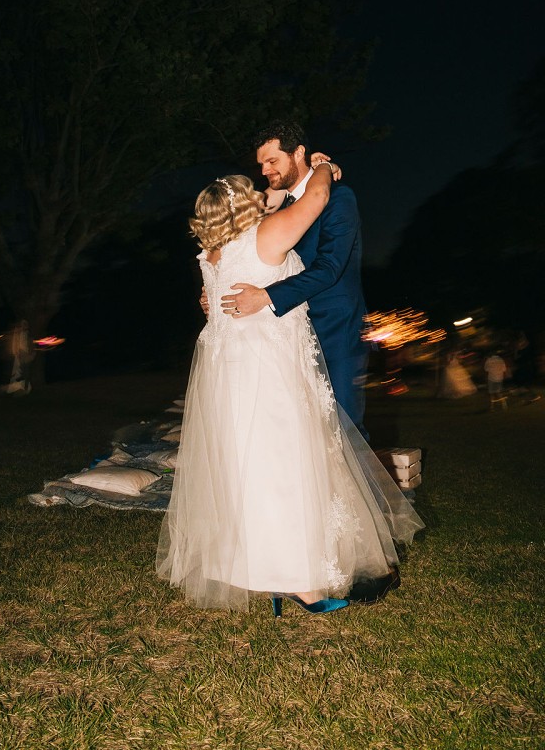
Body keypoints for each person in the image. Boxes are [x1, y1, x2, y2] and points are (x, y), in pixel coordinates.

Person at [156, 169, 424, 615]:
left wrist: (275, 195)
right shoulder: (264, 236)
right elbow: (316, 198)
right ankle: (301, 584)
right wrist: (323, 168)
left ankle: (260, 571)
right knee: (283, 468)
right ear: (244, 204)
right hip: (268, 370)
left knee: (246, 470)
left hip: (228, 376)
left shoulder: (211, 254)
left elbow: (212, 302)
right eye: (254, 191)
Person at [219, 122, 369, 437]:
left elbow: (329, 268)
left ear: (298, 153)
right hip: (288, 333)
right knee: (303, 432)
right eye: (261, 163)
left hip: (334, 330)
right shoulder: (279, 207)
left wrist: (265, 297)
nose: (264, 170)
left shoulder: (339, 198)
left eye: (272, 161)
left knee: (345, 429)